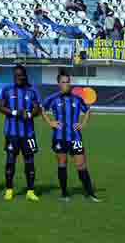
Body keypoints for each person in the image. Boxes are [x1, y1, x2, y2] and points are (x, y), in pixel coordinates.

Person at [43, 69, 100, 202]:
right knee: (62, 164)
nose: (66, 84)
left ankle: (90, 193)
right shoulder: (53, 98)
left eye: (68, 82)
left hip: (75, 137)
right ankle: (64, 194)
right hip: (59, 137)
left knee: (81, 165)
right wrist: (50, 122)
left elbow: (87, 111)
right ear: (58, 84)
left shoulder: (77, 98)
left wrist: (83, 124)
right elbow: (42, 109)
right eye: (63, 82)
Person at [0, 63, 41, 201]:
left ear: (24, 76)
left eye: (21, 75)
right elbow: (1, 107)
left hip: (28, 133)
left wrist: (28, 115)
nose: (19, 77)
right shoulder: (7, 90)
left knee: (29, 162)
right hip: (11, 133)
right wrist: (15, 112)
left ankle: (30, 191)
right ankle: (9, 189)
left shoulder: (32, 91)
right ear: (13, 76)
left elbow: (37, 109)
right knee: (10, 161)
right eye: (16, 75)